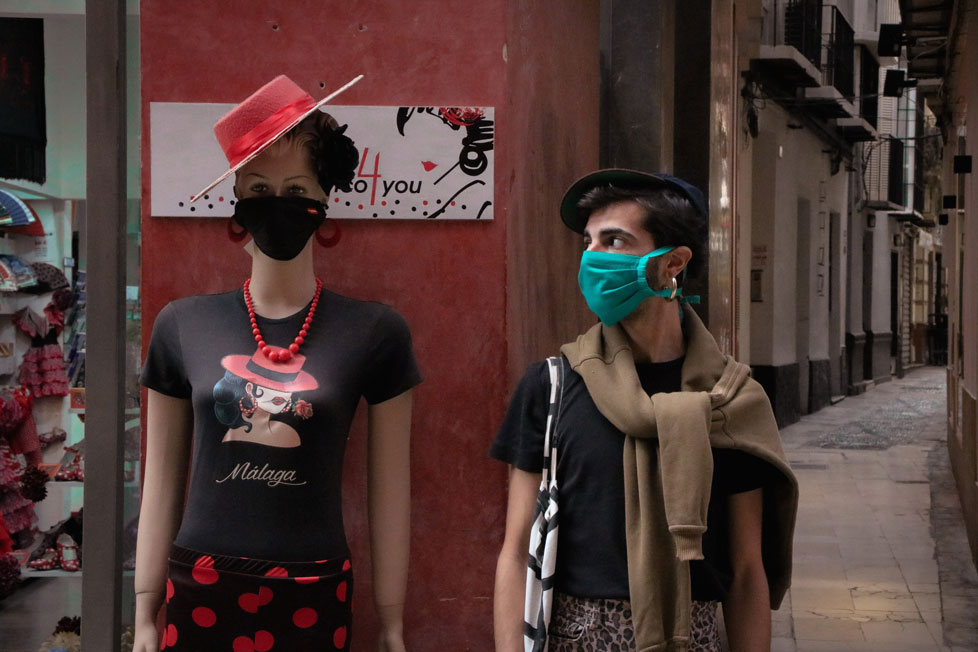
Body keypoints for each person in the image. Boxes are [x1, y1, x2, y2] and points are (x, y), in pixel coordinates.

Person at [134, 75, 421, 652]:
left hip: (314, 588)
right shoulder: (181, 324)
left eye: (297, 187)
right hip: (200, 586)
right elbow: (162, 479)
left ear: (325, 197)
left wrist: (391, 620)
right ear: (236, 196)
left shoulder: (374, 331)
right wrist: (145, 609)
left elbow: (392, 488)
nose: (279, 203)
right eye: (260, 187)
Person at [491, 170, 798, 652]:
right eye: (589, 241)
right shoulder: (551, 386)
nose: (593, 257)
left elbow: (745, 571)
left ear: (672, 263)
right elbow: (515, 552)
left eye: (614, 241)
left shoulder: (731, 401)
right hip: (576, 638)